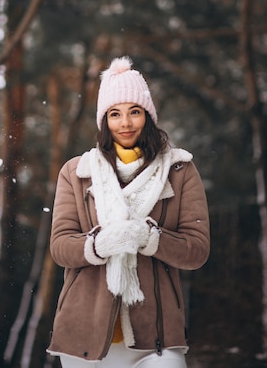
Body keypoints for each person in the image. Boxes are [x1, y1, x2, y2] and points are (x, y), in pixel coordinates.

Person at [47, 56, 210, 368]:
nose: (125, 123)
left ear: (147, 116)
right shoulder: (77, 171)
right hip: (84, 338)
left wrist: (149, 238)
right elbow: (60, 247)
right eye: (115, 114)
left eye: (134, 112)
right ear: (104, 120)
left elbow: (196, 251)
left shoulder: (180, 170)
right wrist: (99, 245)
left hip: (156, 337)